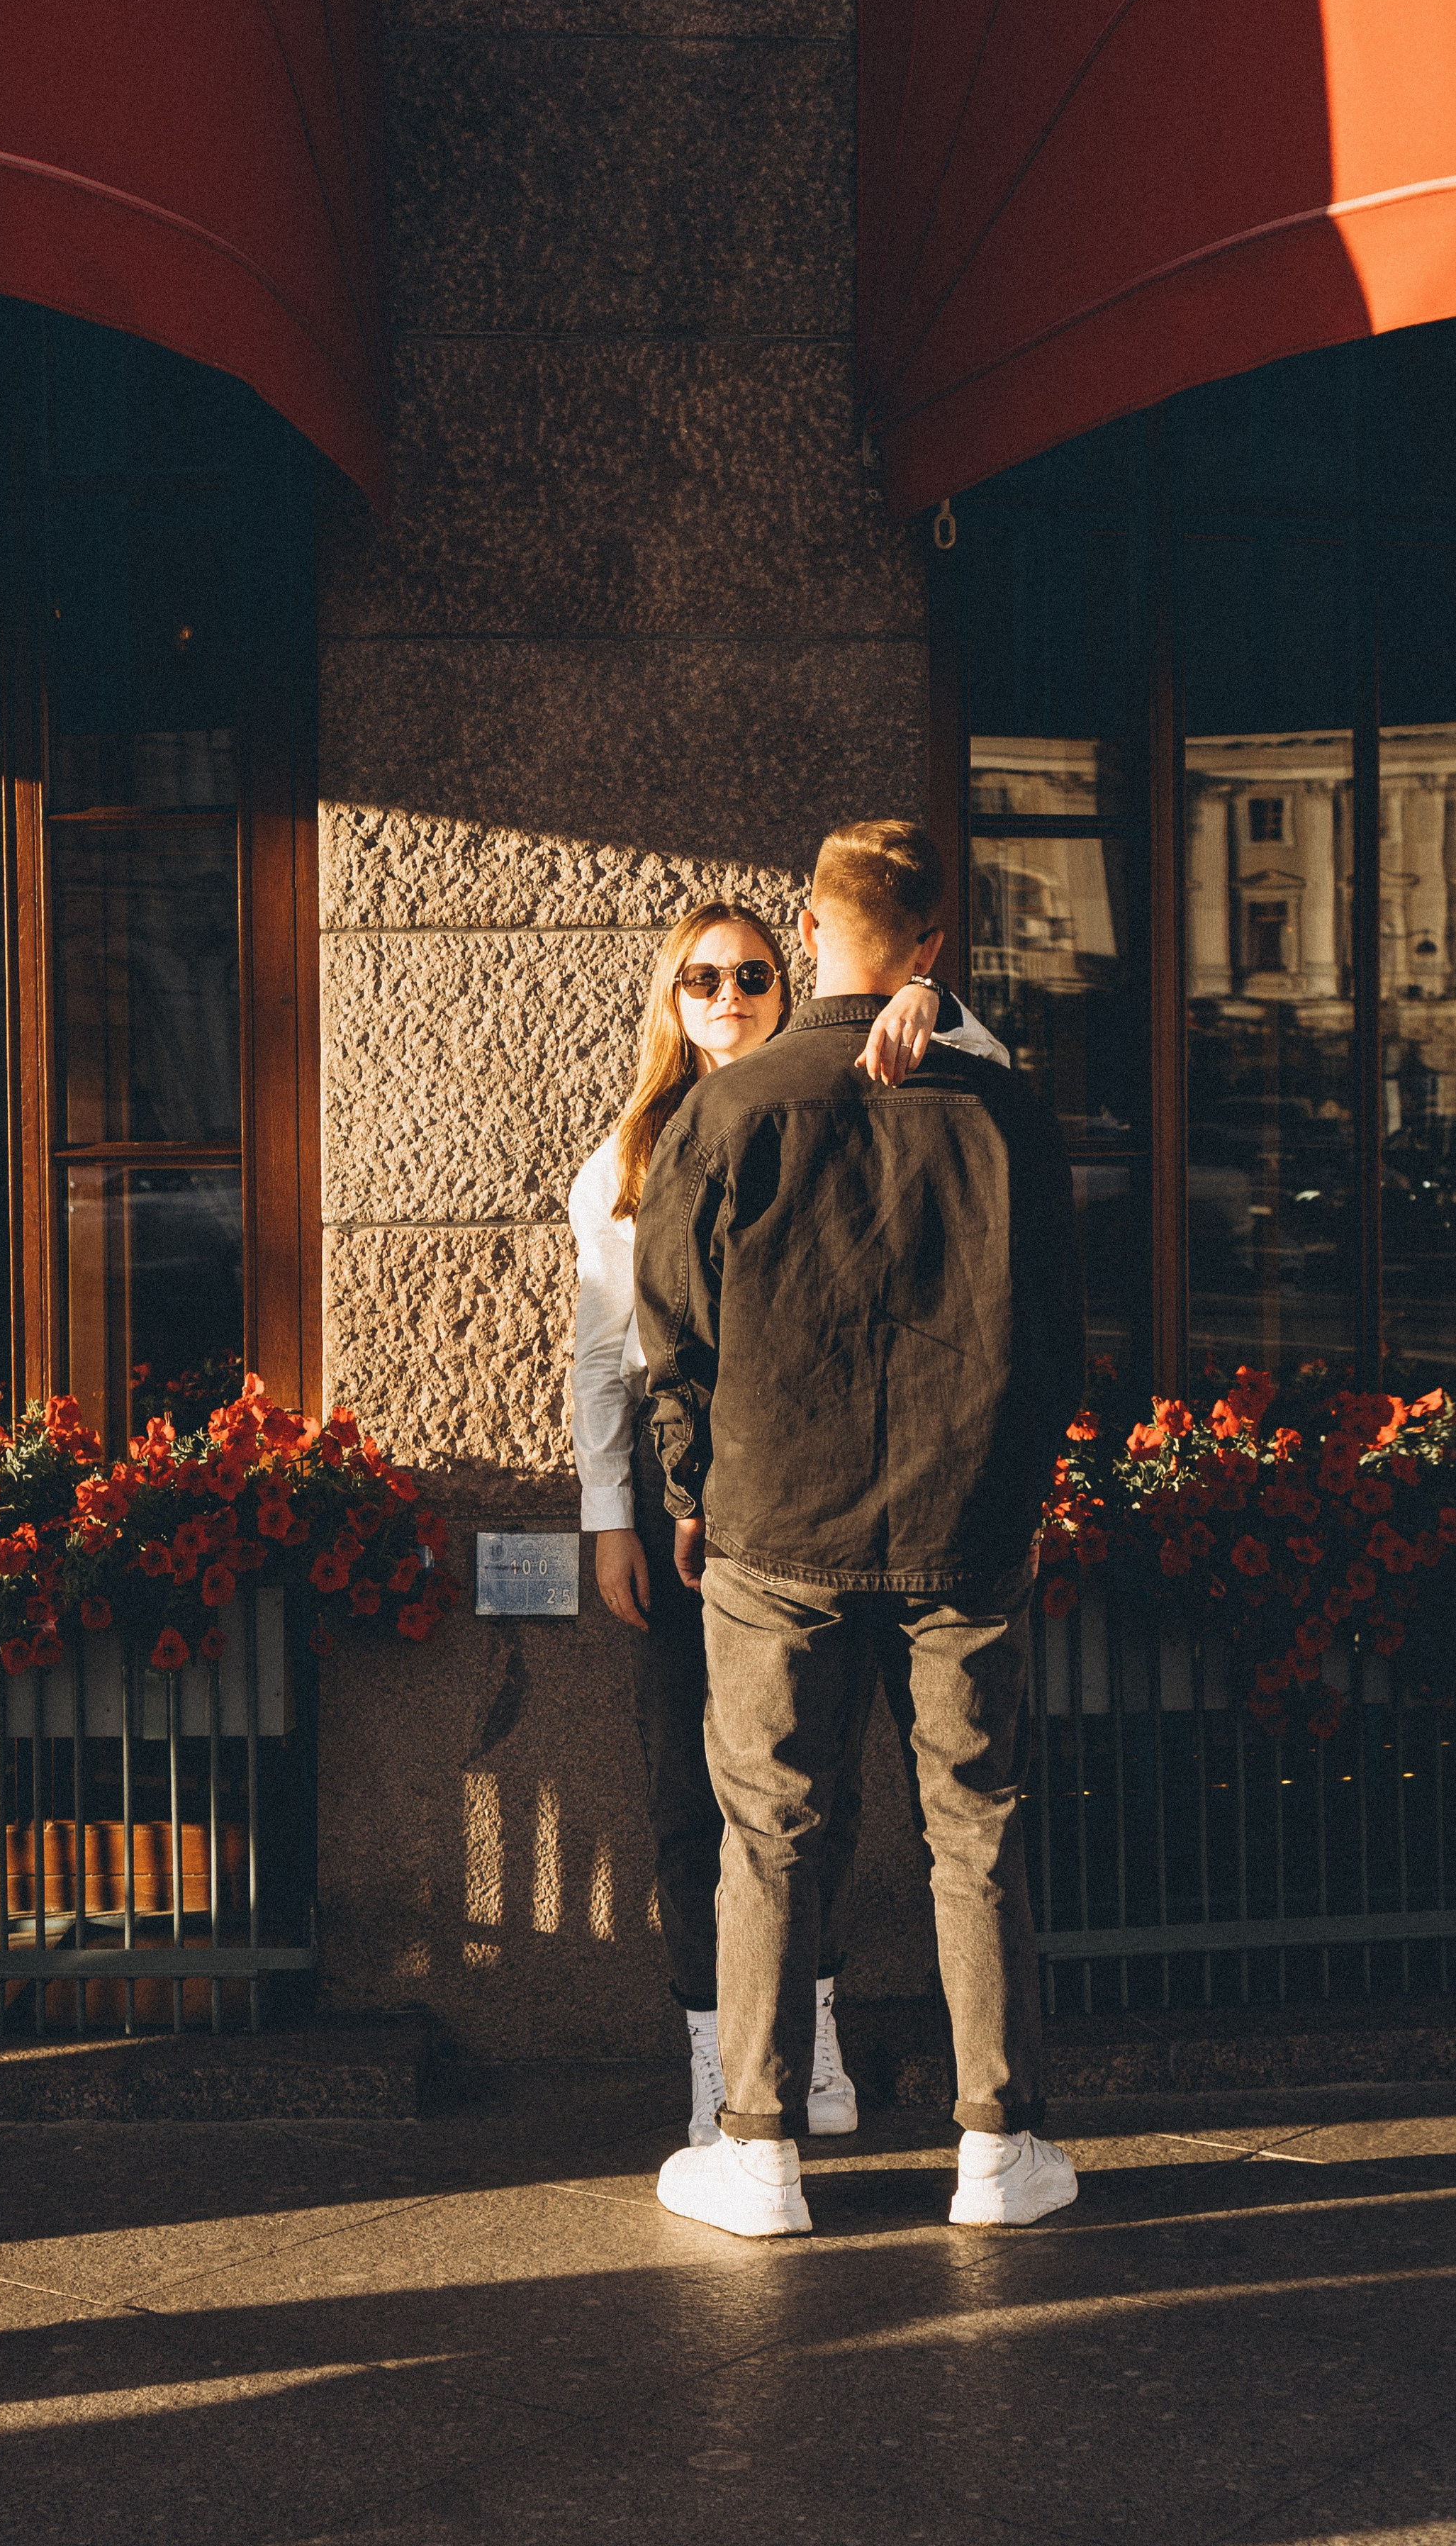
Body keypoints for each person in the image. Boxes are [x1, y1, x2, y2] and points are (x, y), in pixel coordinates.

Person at [632, 822, 1085, 2238]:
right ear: (934, 949)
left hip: (776, 1531)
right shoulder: (1002, 1112)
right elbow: (1059, 1345)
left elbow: (671, 1336)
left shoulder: (737, 1105)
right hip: (961, 1530)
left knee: (765, 1830)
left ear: (807, 929)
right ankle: (994, 2146)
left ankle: (758, 2151)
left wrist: (691, 1493)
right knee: (979, 1828)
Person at [570, 898, 1006, 2149]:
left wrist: (940, 1004)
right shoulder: (634, 1154)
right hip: (680, 1514)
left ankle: (803, 2057)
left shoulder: (857, 1089)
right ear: (672, 997)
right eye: (699, 977)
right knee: (685, 1791)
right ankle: (717, 2061)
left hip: (820, 1505)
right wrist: (615, 1520)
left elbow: (995, 1090)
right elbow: (605, 1358)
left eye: (752, 972)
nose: (726, 995)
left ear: (790, 976)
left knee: (819, 1791)